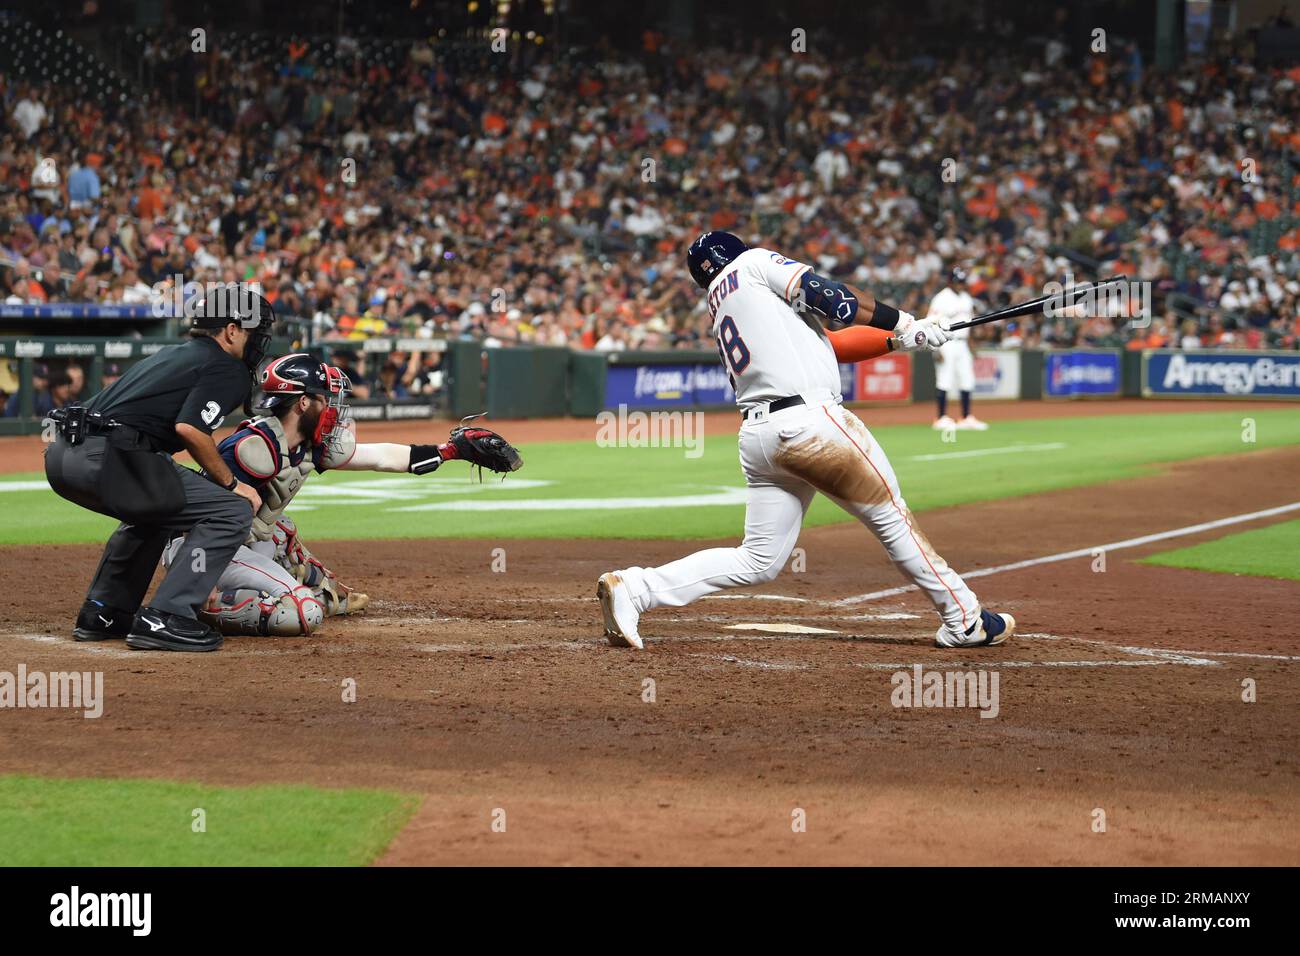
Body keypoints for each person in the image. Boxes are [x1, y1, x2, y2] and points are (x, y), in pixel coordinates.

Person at [597, 231, 1016, 650]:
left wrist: (901, 338)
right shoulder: (755, 263)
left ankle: (635, 589)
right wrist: (904, 320)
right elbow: (836, 300)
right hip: (812, 425)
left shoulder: (723, 302)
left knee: (758, 559)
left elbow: (830, 343)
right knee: (892, 517)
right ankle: (965, 618)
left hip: (761, 439)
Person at [168, 354, 522, 636]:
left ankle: (308, 587)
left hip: (242, 543)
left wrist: (449, 451)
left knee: (280, 527)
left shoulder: (306, 443)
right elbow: (203, 519)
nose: (333, 408)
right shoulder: (254, 448)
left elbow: (380, 457)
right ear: (303, 404)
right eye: (325, 398)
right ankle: (206, 603)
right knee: (303, 613)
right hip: (209, 552)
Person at [43, 288, 275, 652]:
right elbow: (191, 430)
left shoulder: (172, 354)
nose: (258, 342)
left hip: (62, 455)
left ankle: (104, 612)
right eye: (254, 332)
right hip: (111, 457)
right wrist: (232, 485)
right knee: (231, 510)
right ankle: (167, 615)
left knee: (159, 505)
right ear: (231, 330)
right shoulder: (228, 367)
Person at [927, 266, 988, 430]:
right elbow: (930, 322)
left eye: (962, 282)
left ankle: (966, 417)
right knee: (944, 379)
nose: (960, 284)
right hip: (946, 343)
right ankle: (940, 418)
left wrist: (971, 345)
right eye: (958, 281)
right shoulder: (941, 298)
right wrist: (936, 348)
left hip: (963, 343)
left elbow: (970, 324)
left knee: (967, 379)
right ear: (950, 282)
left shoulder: (966, 298)